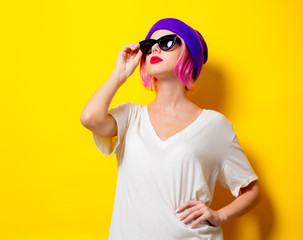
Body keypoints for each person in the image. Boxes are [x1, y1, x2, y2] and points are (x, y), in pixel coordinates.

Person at [80, 18, 260, 240]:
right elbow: (89, 118)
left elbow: (252, 190)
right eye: (148, 46)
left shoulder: (214, 126)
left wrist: (220, 215)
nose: (154, 48)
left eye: (166, 42)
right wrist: (120, 74)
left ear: (188, 53)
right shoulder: (131, 116)